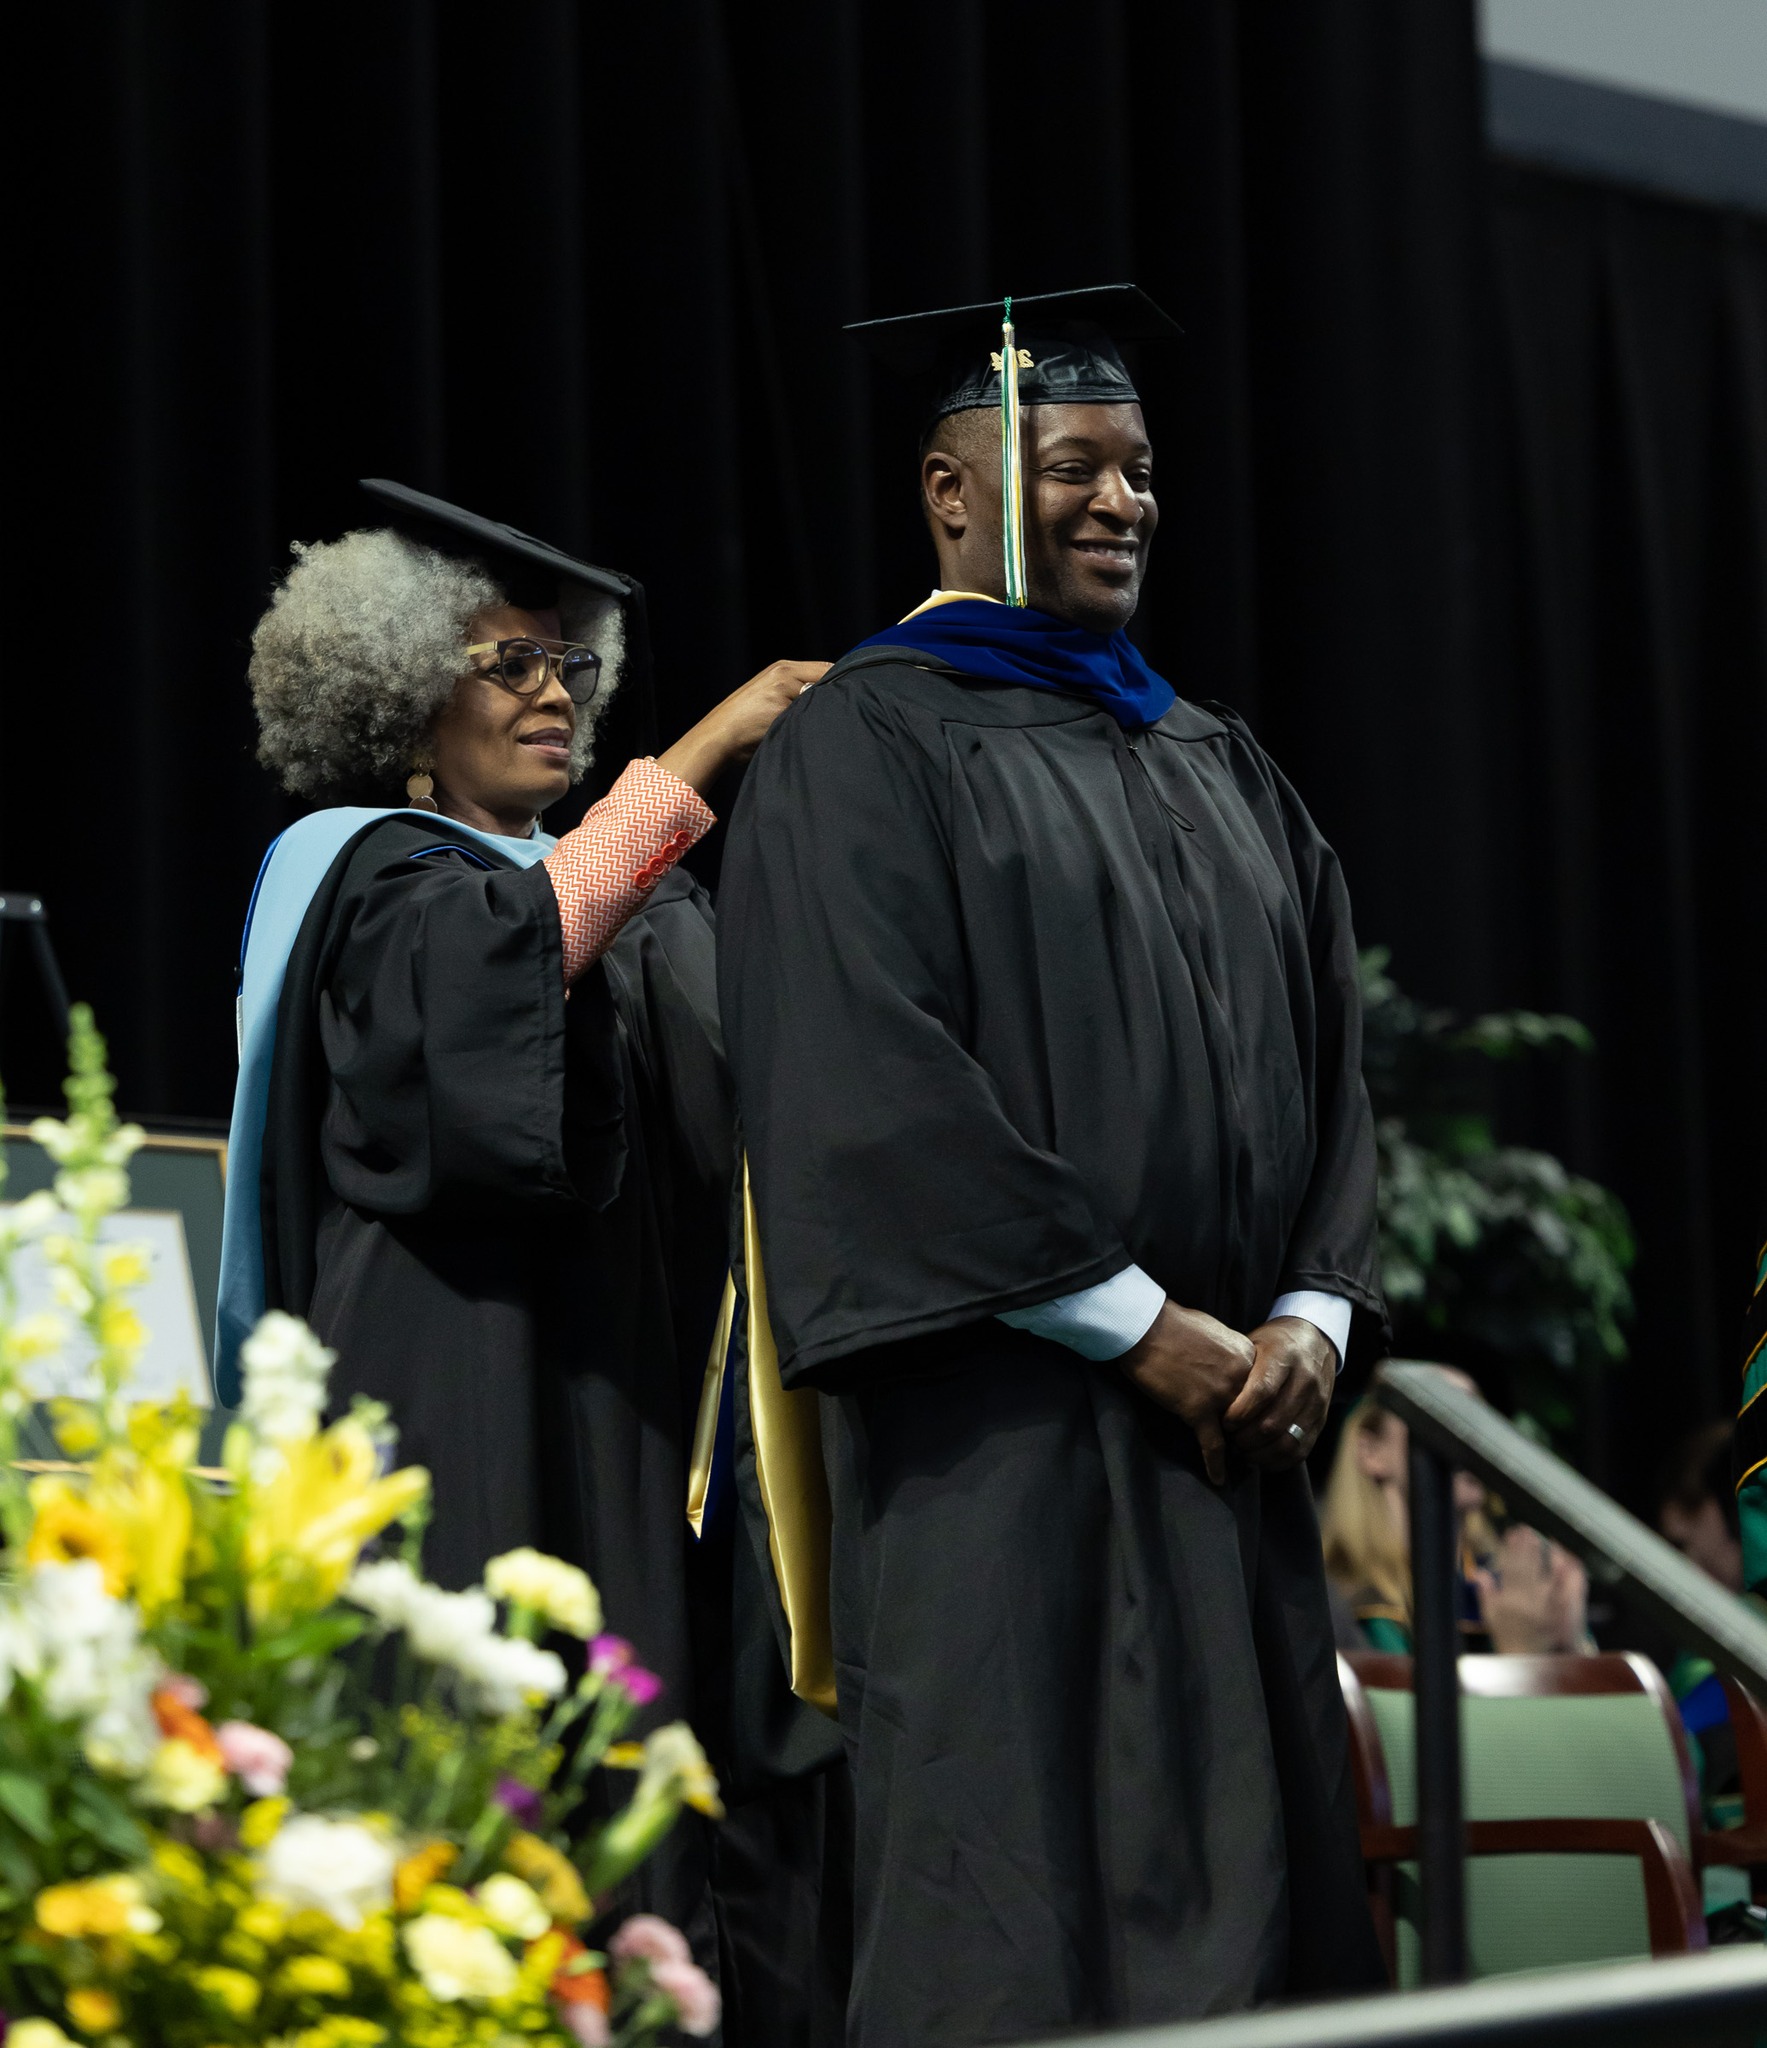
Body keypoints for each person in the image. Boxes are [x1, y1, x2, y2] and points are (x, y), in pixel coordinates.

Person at [716, 287, 1388, 2042]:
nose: (1122, 501)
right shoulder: (869, 742)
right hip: (1003, 1456)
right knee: (1025, 1907)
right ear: (953, 493)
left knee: (1264, 1898)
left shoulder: (1209, 752)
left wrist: (1309, 1311)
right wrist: (1134, 1321)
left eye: (1140, 471)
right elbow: (866, 1083)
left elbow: (1331, 1059)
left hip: (1234, 1441)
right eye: (1074, 465)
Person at [219, 481, 836, 2023]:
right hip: (457, 1413)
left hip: (628, 1419)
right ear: (406, 696)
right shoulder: (364, 877)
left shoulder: (638, 906)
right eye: (509, 663)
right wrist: (691, 762)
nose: (551, 691)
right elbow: (491, 984)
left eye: (568, 662)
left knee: (643, 1828)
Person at [1320, 1383, 1592, 1655]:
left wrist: (1572, 1649)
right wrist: (1521, 1651)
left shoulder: (1519, 1587)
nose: (1468, 1436)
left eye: (1477, 1418)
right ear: (1371, 1452)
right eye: (1440, 1414)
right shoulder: (1338, 1604)